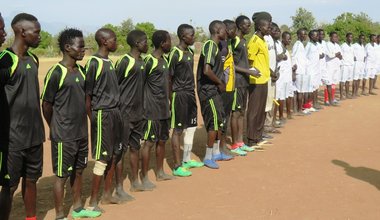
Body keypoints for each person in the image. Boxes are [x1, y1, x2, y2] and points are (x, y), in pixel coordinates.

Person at [41, 28, 101, 219]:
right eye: (81, 46)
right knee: (61, 176)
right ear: (68, 48)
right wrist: (55, 126)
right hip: (63, 135)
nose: (84, 50)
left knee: (79, 170)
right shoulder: (56, 72)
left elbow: (85, 101)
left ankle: (77, 209)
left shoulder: (81, 71)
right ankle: (59, 215)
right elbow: (46, 104)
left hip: (81, 133)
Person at [0, 13, 45, 220]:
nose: (40, 36)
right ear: (22, 32)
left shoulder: (33, 59)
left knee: (31, 181)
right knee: (9, 187)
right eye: (36, 32)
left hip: (35, 136)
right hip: (13, 139)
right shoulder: (6, 60)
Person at [85, 28, 122, 211]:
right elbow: (88, 95)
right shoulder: (94, 62)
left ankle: (107, 195)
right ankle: (93, 203)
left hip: (115, 113)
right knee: (102, 158)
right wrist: (93, 118)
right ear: (104, 41)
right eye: (114, 40)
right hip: (102, 114)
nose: (117, 43)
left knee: (114, 154)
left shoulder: (109, 62)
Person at [115, 30, 148, 194]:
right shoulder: (125, 61)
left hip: (138, 114)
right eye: (145, 41)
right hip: (124, 114)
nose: (147, 44)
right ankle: (119, 187)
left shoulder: (142, 61)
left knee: (136, 148)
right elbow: (115, 84)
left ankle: (135, 181)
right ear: (137, 43)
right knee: (120, 152)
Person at [168, 24, 204, 177]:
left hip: (190, 93)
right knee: (177, 130)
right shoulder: (174, 53)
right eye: (191, 35)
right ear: (183, 36)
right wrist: (171, 99)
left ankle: (186, 159)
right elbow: (168, 78)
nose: (193, 37)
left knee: (191, 127)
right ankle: (177, 166)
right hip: (179, 95)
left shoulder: (190, 51)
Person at [140, 30, 174, 188]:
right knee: (149, 142)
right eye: (169, 41)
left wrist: (170, 102)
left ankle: (160, 172)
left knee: (162, 140)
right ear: (162, 43)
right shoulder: (149, 61)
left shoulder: (165, 60)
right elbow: (140, 85)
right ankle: (144, 176)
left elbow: (167, 83)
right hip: (151, 109)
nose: (171, 44)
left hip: (164, 109)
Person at [197, 20, 230, 169]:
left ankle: (216, 153)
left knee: (219, 121)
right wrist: (220, 83)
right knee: (213, 124)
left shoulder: (216, 46)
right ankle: (208, 156)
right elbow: (206, 70)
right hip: (208, 91)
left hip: (214, 90)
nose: (226, 32)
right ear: (217, 30)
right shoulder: (210, 45)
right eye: (224, 29)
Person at [230, 15, 258, 154]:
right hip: (237, 82)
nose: (249, 27)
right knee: (235, 113)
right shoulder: (234, 40)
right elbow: (231, 64)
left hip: (244, 81)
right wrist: (248, 71)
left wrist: (250, 71)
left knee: (242, 112)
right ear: (240, 26)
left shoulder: (243, 40)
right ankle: (234, 144)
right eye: (247, 25)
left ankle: (240, 142)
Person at [246, 12, 272, 148]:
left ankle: (258, 136)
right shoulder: (254, 41)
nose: (269, 28)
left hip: (264, 80)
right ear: (260, 27)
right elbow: (249, 62)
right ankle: (251, 139)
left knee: (261, 110)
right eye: (267, 26)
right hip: (255, 81)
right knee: (254, 110)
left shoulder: (263, 40)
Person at [218, 19, 240, 157]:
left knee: (226, 117)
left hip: (231, 87)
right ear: (226, 29)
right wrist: (222, 85)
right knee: (222, 119)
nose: (235, 32)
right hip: (224, 89)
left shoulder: (229, 44)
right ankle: (219, 148)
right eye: (233, 30)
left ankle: (222, 147)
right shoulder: (221, 46)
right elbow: (218, 68)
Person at [264, 22, 281, 134]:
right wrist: (271, 72)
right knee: (266, 101)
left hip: (273, 74)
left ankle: (270, 123)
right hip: (266, 75)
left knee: (271, 100)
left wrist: (276, 72)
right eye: (272, 29)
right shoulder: (264, 39)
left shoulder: (272, 40)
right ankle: (265, 125)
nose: (275, 32)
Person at [276, 31, 295, 121]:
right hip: (281, 77)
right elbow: (276, 58)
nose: (290, 40)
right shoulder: (279, 47)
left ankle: (288, 113)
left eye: (290, 38)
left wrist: (293, 70)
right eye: (288, 38)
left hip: (288, 76)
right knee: (281, 96)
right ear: (283, 39)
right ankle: (280, 116)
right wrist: (282, 56)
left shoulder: (286, 50)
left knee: (288, 95)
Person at [292, 28, 310, 114]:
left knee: (298, 91)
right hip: (299, 71)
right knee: (300, 91)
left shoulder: (301, 44)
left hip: (301, 71)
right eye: (303, 34)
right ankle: (299, 109)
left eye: (306, 34)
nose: (305, 36)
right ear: (299, 35)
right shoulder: (298, 45)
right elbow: (293, 57)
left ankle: (296, 109)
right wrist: (294, 72)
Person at [305, 29, 322, 112]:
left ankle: (315, 103)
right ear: (311, 36)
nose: (317, 37)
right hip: (310, 70)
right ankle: (308, 104)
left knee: (315, 87)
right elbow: (305, 57)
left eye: (318, 35)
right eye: (316, 35)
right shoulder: (308, 46)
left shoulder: (316, 44)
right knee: (310, 89)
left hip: (316, 69)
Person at [324, 32, 342, 105]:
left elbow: (340, 55)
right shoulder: (327, 45)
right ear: (330, 37)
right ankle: (327, 100)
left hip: (336, 66)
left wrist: (338, 55)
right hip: (329, 66)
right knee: (328, 83)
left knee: (334, 82)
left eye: (336, 37)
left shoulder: (337, 45)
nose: (335, 38)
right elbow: (329, 55)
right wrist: (336, 54)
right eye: (334, 37)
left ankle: (333, 98)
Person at [340, 33, 355, 99]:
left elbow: (353, 55)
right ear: (346, 37)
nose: (350, 38)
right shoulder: (343, 46)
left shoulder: (352, 46)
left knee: (348, 81)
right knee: (342, 80)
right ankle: (341, 95)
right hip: (345, 65)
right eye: (349, 37)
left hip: (350, 65)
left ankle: (347, 94)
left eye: (351, 37)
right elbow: (340, 56)